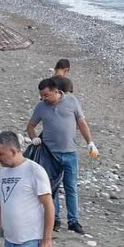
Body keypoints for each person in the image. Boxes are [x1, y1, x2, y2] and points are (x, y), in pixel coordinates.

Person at [26, 77, 98, 234]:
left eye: (46, 95)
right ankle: (55, 219)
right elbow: (30, 125)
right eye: (42, 96)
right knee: (52, 188)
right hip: (49, 154)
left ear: (55, 91)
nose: (44, 98)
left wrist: (90, 142)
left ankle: (73, 221)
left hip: (70, 153)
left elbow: (81, 123)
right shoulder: (41, 107)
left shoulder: (72, 101)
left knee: (71, 187)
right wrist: (34, 138)